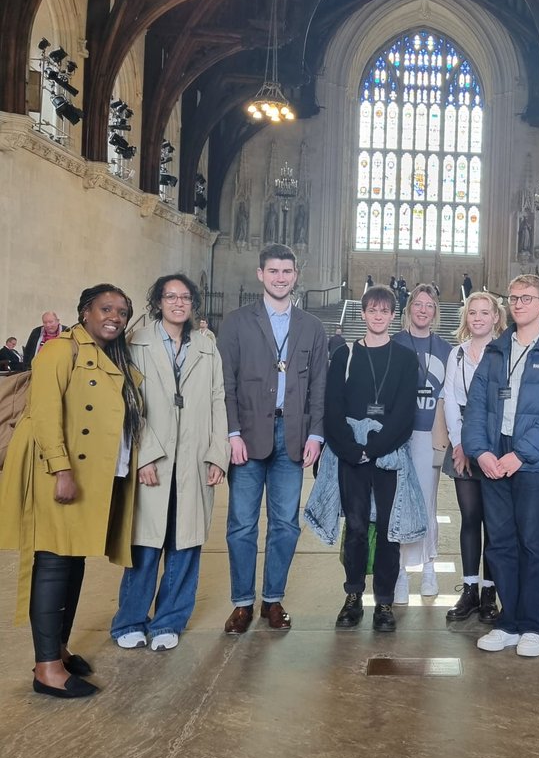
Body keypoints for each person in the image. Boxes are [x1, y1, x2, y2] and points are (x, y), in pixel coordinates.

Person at [0, 285, 142, 698]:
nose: (114, 316)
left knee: (73, 560)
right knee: (52, 562)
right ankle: (46, 669)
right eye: (106, 308)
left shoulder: (109, 353)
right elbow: (45, 413)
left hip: (90, 474)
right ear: (85, 312)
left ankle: (57, 649)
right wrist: (60, 469)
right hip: (56, 469)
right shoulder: (62, 350)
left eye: (122, 311)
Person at [462, 274, 539, 658]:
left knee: (531, 543)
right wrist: (480, 452)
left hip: (532, 462)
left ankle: (533, 624)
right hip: (494, 457)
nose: (519, 304)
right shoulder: (496, 350)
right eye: (513, 298)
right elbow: (476, 406)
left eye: (527, 298)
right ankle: (508, 621)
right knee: (500, 543)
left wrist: (522, 454)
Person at [111, 275, 228, 651]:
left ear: (193, 303)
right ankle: (129, 620)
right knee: (145, 545)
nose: (179, 303)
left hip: (194, 459)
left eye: (185, 297)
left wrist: (217, 454)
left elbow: (217, 401)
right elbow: (130, 404)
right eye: (170, 296)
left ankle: (168, 622)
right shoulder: (137, 343)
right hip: (155, 459)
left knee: (186, 544)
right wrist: (143, 455)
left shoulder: (207, 346)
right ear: (158, 302)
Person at [217, 243, 328, 633]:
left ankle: (273, 600)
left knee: (285, 523)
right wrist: (231, 433)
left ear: (296, 276)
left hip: (293, 437)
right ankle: (242, 603)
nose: (281, 278)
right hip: (246, 436)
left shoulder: (312, 327)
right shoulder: (236, 322)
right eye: (273, 271)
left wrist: (316, 433)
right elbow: (225, 384)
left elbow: (319, 386)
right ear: (260, 274)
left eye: (287, 272)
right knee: (242, 524)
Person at [318, 284, 420, 631]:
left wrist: (373, 449)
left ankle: (385, 603)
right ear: (362, 314)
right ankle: (353, 596)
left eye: (384, 311)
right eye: (372, 310)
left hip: (388, 456)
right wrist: (351, 450)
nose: (378, 316)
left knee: (390, 530)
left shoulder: (406, 358)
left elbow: (405, 414)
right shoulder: (344, 355)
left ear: (393, 315)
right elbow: (332, 407)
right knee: (358, 527)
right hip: (351, 457)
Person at [442, 291, 506, 624]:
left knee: (494, 522)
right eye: (472, 313)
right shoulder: (456, 355)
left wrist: (484, 446)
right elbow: (451, 400)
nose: (478, 318)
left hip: (494, 440)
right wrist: (459, 443)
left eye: (485, 312)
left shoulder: (504, 351)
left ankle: (489, 593)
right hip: (462, 440)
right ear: (466, 318)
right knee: (470, 517)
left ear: (496, 317)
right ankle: (468, 590)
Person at [393, 283, 452, 599]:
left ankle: (429, 568)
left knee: (427, 503)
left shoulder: (445, 349)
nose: (423, 309)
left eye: (429, 305)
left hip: (431, 435)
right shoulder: (395, 344)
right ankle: (401, 571)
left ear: (435, 312)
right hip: (399, 436)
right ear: (409, 308)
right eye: (419, 304)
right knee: (399, 503)